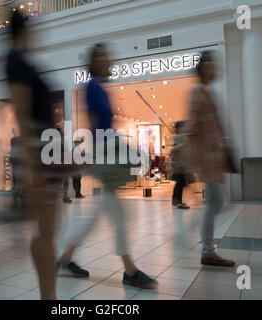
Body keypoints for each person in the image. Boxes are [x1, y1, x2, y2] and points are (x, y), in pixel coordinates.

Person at [57, 44, 158, 289]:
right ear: (94, 62)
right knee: (117, 213)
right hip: (104, 153)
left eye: (106, 56)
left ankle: (66, 258)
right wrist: (101, 152)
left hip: (107, 150)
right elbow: (95, 124)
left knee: (102, 212)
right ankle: (130, 270)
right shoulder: (92, 86)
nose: (106, 60)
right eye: (100, 57)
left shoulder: (100, 87)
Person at [4, 11, 63, 300]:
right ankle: (48, 298)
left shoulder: (22, 61)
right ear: (24, 31)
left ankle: (48, 296)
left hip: (44, 148)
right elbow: (23, 115)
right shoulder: (16, 61)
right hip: (38, 149)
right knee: (46, 230)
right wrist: (31, 167)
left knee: (48, 230)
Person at [184, 51, 235, 267]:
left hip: (213, 157)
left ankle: (206, 247)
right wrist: (188, 162)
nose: (215, 67)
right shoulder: (198, 92)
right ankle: (205, 249)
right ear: (204, 67)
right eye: (212, 63)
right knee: (215, 203)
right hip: (207, 158)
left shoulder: (205, 91)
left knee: (216, 202)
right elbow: (192, 127)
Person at [171, 121, 190, 209]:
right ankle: (177, 201)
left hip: (181, 165)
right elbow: (175, 150)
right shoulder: (178, 138)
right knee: (179, 182)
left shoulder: (180, 137)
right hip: (179, 165)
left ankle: (178, 201)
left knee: (181, 182)